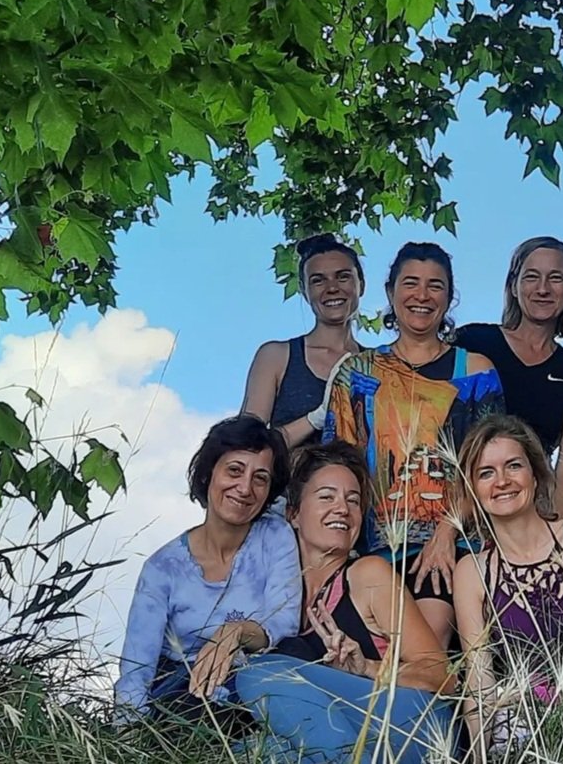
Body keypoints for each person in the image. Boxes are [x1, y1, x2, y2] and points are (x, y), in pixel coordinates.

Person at [323, 241, 505, 647]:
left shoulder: (475, 372)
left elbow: (490, 465)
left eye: (435, 286)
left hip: (451, 545)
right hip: (371, 552)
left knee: (430, 639)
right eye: (411, 283)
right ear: (390, 293)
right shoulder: (357, 373)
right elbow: (338, 466)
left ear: (449, 296)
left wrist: (445, 533)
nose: (422, 296)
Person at [235, 442, 455, 764]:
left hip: (413, 727)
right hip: (353, 741)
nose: (342, 509)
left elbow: (442, 677)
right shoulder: (277, 598)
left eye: (353, 501)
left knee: (261, 676)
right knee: (259, 752)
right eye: (326, 497)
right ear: (293, 514)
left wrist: (366, 668)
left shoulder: (367, 574)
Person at [452, 415, 563, 759]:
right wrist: (482, 755)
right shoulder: (472, 571)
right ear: (472, 489)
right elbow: (479, 676)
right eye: (486, 473)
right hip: (520, 727)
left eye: (513, 466)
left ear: (535, 473)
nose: (502, 481)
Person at [115, 415, 299, 725]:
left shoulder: (275, 535)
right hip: (185, 694)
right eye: (234, 470)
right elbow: (137, 669)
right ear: (209, 473)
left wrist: (236, 631)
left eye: (260, 478)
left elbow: (285, 619)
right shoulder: (162, 568)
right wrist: (126, 738)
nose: (245, 488)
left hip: (256, 681)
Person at [454, 237, 563, 517]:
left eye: (555, 278)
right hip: (458, 507)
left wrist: (554, 530)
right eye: (532, 277)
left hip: (525, 513)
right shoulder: (473, 341)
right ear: (513, 286)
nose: (543, 288)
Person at [242, 234, 364, 448]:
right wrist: (315, 418)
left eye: (343, 277)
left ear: (360, 284)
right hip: (291, 482)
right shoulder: (277, 356)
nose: (332, 287)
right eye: (318, 280)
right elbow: (246, 445)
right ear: (305, 291)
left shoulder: (379, 364)